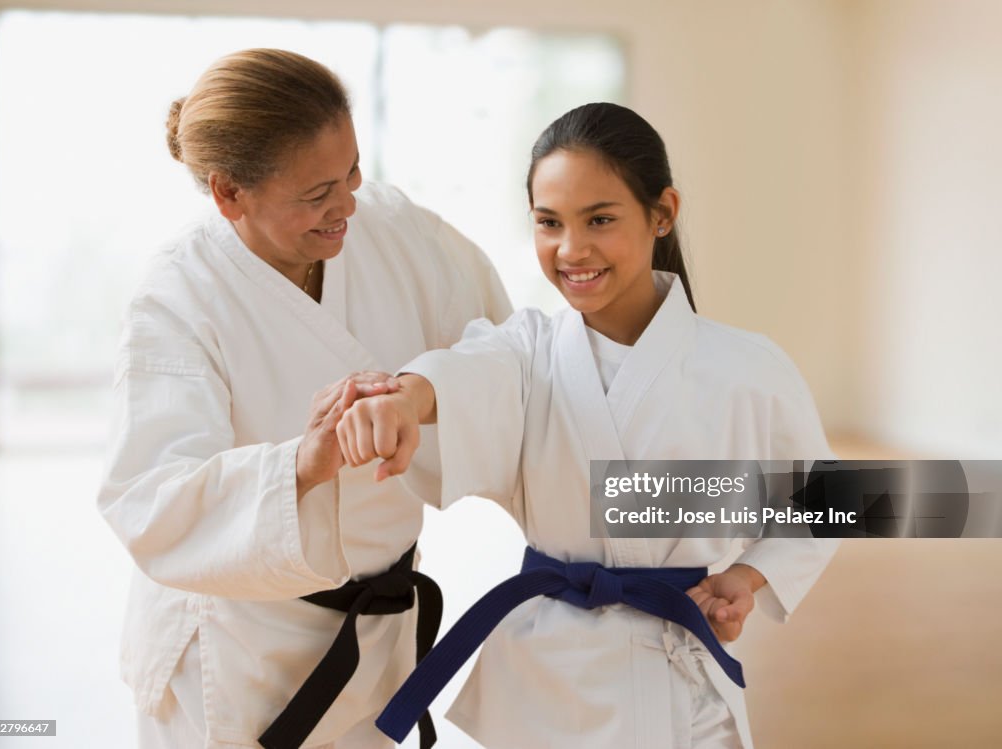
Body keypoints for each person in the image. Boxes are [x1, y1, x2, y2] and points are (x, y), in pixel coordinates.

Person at [335, 103, 840, 748]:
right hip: (547, 680)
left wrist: (747, 575)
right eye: (549, 223)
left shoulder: (746, 366)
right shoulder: (529, 350)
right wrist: (404, 399)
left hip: (677, 677)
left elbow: (827, 497)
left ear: (662, 213)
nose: (571, 250)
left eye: (599, 219)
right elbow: (467, 372)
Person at [96, 48, 511, 749]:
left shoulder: (394, 230)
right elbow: (151, 498)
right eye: (317, 193)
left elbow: (506, 356)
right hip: (233, 656)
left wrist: (420, 391)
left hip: (376, 637)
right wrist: (302, 463)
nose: (347, 203)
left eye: (352, 170)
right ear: (229, 194)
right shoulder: (177, 296)